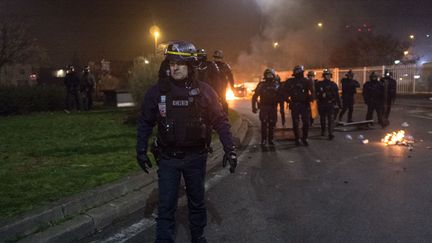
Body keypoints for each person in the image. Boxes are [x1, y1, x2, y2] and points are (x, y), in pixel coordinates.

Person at [136, 41, 237, 243]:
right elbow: (145, 122)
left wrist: (230, 149)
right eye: (172, 62)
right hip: (167, 158)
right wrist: (140, 150)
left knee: (197, 202)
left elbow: (220, 121)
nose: (175, 67)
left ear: (190, 66)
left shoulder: (205, 92)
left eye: (180, 63)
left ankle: (198, 237)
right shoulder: (157, 92)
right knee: (166, 205)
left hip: (195, 158)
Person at [282, 65, 313, 146]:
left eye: (300, 71)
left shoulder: (306, 81)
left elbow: (312, 92)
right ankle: (297, 139)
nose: (298, 73)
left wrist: (310, 99)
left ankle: (304, 138)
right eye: (297, 71)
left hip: (304, 105)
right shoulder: (290, 82)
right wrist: (289, 101)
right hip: (295, 104)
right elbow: (284, 93)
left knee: (306, 122)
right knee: (295, 123)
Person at [252, 68, 280, 145]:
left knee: (272, 123)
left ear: (273, 75)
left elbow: (281, 96)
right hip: (264, 106)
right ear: (265, 75)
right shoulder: (261, 85)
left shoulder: (277, 85)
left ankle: (271, 139)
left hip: (273, 107)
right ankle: (264, 139)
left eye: (271, 75)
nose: (269, 76)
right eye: (268, 75)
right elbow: (255, 96)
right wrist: (253, 107)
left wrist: (281, 108)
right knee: (264, 123)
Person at [315, 69, 341, 140]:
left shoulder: (333, 85)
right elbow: (315, 94)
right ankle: (323, 131)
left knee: (331, 119)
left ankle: (330, 133)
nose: (328, 76)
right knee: (322, 119)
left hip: (330, 104)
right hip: (322, 104)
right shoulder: (319, 84)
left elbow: (336, 95)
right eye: (326, 75)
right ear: (324, 76)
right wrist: (320, 96)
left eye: (329, 75)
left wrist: (339, 104)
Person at [212, 50, 235, 114]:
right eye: (216, 57)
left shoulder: (226, 66)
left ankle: (225, 118)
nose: (217, 59)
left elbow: (231, 78)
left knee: (223, 102)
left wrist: (232, 88)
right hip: (212, 87)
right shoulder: (210, 66)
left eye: (218, 58)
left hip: (222, 88)